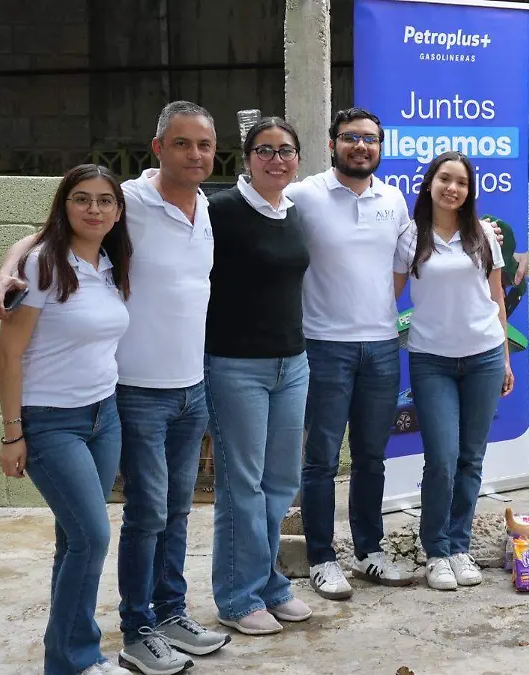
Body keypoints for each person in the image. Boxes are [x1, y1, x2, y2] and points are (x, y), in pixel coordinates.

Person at [0, 100, 230, 675]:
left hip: (186, 389)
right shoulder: (129, 198)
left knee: (172, 511)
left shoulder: (203, 213)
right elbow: (40, 235)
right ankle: (134, 627)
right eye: (181, 143)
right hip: (133, 396)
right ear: (158, 149)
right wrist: (5, 267)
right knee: (133, 519)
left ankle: (168, 615)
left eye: (203, 144)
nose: (194, 154)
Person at [0, 165, 133, 675]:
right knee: (92, 537)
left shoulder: (110, 263)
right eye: (81, 199)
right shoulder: (42, 266)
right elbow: (8, 355)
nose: (94, 210)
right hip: (51, 422)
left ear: (118, 212)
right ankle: (76, 658)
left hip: (104, 415)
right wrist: (12, 435)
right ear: (64, 205)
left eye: (104, 201)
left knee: (73, 539)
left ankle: (68, 657)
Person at [285, 108, 416, 599]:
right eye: (350, 138)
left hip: (382, 347)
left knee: (371, 458)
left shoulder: (394, 199)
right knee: (320, 460)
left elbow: (400, 265)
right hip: (323, 347)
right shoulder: (305, 194)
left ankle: (368, 552)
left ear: (380, 146)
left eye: (369, 139)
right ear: (333, 142)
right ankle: (322, 556)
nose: (360, 147)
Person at [203, 117, 312, 635]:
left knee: (280, 483)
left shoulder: (292, 212)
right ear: (246, 158)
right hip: (234, 366)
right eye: (265, 150)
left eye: (286, 150)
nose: (277, 159)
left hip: (292, 364)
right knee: (241, 486)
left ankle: (269, 583)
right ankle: (236, 595)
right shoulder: (218, 209)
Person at [393, 151, 513, 590]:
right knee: (441, 458)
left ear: (469, 191)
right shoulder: (411, 236)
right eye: (445, 179)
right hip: (431, 361)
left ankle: (460, 546)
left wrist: (502, 357)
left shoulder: (483, 235)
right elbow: (390, 292)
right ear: (430, 183)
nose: (453, 188)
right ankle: (436, 550)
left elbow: (496, 297)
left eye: (461, 182)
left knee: (470, 458)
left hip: (482, 356)